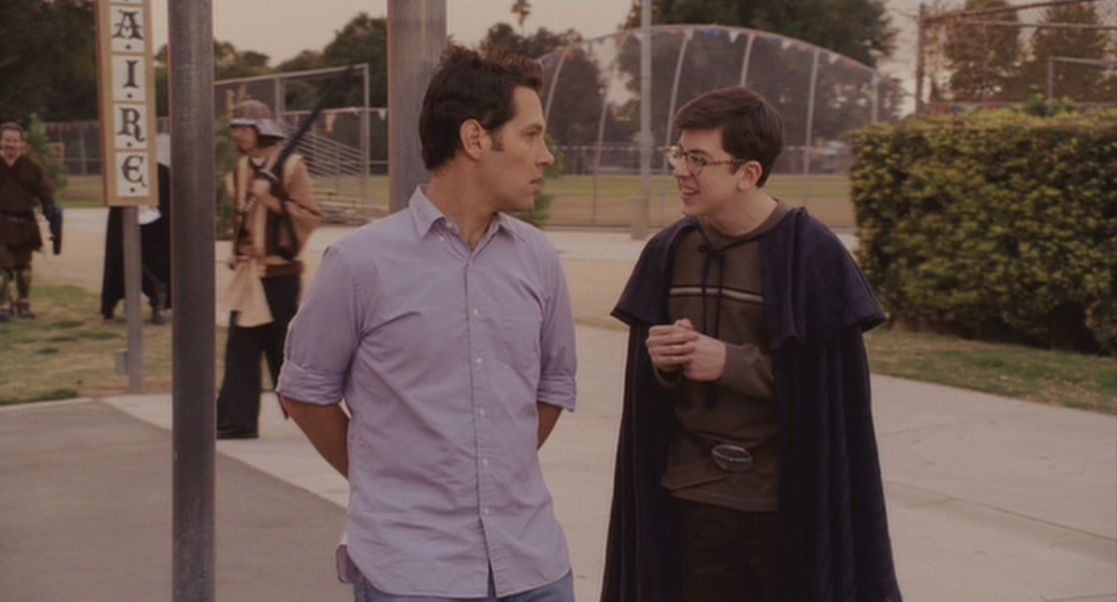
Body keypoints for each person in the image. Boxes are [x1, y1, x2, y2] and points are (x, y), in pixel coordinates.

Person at [277, 45, 577, 601]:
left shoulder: (539, 259)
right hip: (410, 574)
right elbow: (305, 392)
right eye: (532, 135)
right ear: (475, 138)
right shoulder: (360, 264)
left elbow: (554, 385)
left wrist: (491, 474)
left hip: (534, 568)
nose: (546, 156)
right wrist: (387, 486)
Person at [601, 87, 902, 602]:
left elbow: (830, 392)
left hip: (786, 508)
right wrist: (664, 364)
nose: (681, 171)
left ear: (749, 173)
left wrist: (729, 363)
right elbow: (647, 401)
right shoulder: (667, 252)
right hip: (690, 501)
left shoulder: (811, 254)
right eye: (679, 154)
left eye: (699, 160)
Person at [215, 99, 321, 440]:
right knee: (240, 347)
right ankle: (235, 421)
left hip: (280, 275)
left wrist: (269, 199)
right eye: (236, 129)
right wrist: (238, 249)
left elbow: (309, 215)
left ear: (261, 130)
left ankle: (313, 417)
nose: (239, 135)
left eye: (244, 129)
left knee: (283, 351)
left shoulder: (290, 166)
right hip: (249, 274)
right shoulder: (240, 170)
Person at [101, 134, 172, 324]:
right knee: (123, 263)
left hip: (154, 226)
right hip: (128, 224)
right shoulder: (122, 170)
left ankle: (158, 303)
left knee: (158, 268)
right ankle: (119, 303)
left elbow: (168, 204)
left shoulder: (162, 173)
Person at [0, 121, 61, 321]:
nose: (10, 144)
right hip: (1, 223)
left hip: (25, 224)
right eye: (7, 140)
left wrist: (51, 213)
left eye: (14, 141)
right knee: (3, 267)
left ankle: (24, 303)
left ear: (21, 144)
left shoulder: (31, 167)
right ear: (1, 141)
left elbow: (45, 192)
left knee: (24, 268)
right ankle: (4, 304)